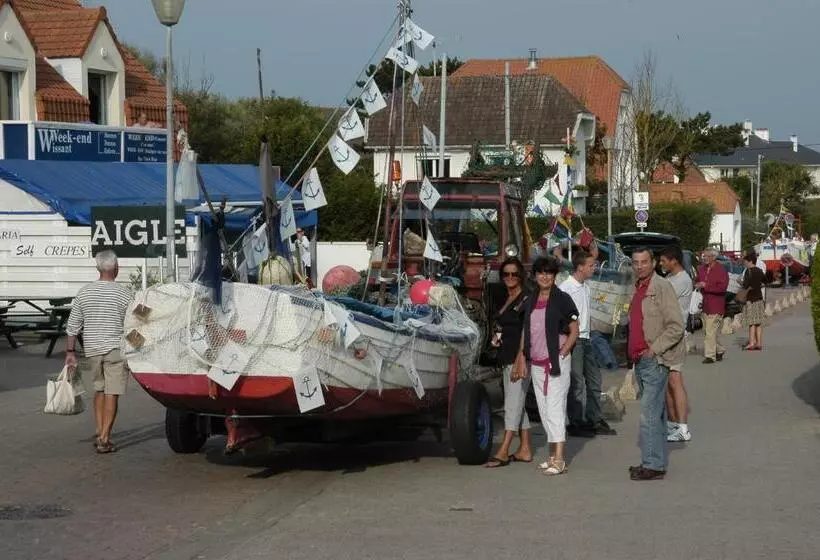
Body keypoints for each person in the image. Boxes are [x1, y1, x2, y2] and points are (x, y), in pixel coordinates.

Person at [513, 256, 579, 476]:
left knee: (555, 408)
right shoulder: (530, 299)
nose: (545, 276)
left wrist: (562, 353)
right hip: (537, 363)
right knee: (543, 409)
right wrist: (522, 355)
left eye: (549, 272)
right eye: (541, 272)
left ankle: (559, 459)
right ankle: (551, 456)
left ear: (554, 275)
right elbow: (526, 330)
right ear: (535, 275)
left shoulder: (563, 299)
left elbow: (574, 330)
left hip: (556, 362)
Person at [65, 250, 134, 454]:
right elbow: (134, 324)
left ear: (97, 268)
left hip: (92, 349)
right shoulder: (124, 294)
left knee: (99, 390)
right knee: (112, 392)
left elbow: (72, 326)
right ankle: (104, 438)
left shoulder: (84, 292)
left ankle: (98, 429)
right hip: (115, 350)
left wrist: (70, 352)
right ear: (116, 268)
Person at [628, 247, 685, 481]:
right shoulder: (638, 287)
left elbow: (676, 326)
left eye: (644, 262)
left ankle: (653, 465)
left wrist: (654, 350)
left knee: (648, 414)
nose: (639, 266)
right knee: (656, 414)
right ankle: (654, 461)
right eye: (635, 262)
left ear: (653, 263)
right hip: (640, 360)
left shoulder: (661, 287)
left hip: (654, 360)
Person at [560, 249, 617, 438]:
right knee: (576, 383)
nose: (594, 269)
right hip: (574, 340)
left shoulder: (586, 287)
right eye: (591, 265)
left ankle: (594, 418)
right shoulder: (566, 288)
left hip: (588, 338)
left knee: (594, 381)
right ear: (580, 267)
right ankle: (575, 421)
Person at [484, 257, 531, 467]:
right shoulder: (506, 297)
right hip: (506, 357)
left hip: (519, 358)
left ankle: (503, 450)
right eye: (506, 274)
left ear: (521, 276)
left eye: (514, 274)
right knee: (517, 403)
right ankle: (525, 449)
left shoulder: (526, 298)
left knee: (512, 405)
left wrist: (521, 357)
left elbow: (528, 330)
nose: (510, 277)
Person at [659, 246, 693, 443]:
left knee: (675, 381)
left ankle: (682, 427)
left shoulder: (682, 280)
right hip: (664, 335)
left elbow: (660, 300)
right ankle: (672, 425)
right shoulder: (670, 278)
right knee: (667, 384)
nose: (661, 264)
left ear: (674, 260)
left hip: (674, 335)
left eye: (664, 261)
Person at [695, 249, 729, 364]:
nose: (704, 258)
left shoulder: (721, 270)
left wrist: (706, 286)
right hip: (705, 305)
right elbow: (696, 281)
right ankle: (719, 349)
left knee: (710, 331)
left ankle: (710, 356)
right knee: (707, 331)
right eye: (703, 256)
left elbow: (722, 288)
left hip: (716, 305)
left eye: (707, 256)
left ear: (714, 257)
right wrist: (697, 285)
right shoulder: (702, 269)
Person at [741, 252, 766, 351]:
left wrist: (741, 282)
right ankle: (759, 343)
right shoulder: (759, 270)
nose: (745, 263)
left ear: (750, 261)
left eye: (746, 262)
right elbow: (765, 281)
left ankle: (751, 343)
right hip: (759, 298)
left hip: (750, 299)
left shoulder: (748, 271)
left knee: (751, 322)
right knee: (758, 322)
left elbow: (745, 285)